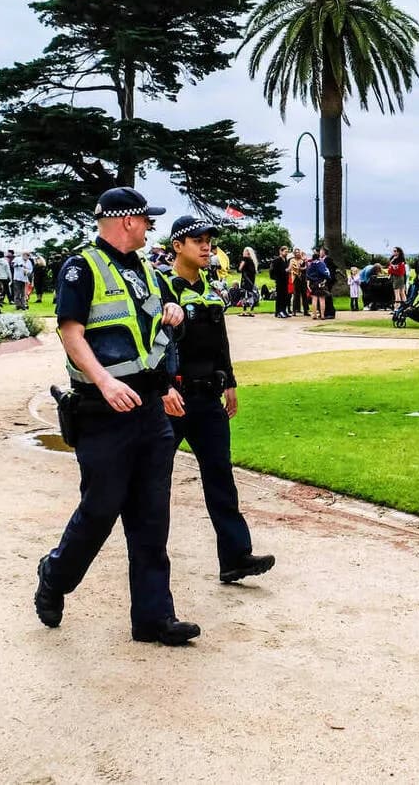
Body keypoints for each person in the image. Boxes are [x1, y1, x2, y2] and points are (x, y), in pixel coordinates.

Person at [34, 186, 198, 645]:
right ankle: (54, 575)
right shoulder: (81, 267)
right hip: (102, 410)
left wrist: (173, 313)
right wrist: (105, 382)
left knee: (151, 517)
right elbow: (71, 334)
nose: (150, 227)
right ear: (127, 220)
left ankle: (153, 618)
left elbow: (157, 334)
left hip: (149, 410)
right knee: (100, 510)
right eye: (146, 220)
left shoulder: (147, 270)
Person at [164, 216, 276, 585]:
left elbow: (221, 342)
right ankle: (149, 560)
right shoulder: (162, 288)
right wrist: (162, 387)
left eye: (208, 240)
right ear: (178, 246)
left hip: (208, 399)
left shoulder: (211, 290)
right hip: (173, 401)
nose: (206, 246)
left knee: (221, 478)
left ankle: (235, 557)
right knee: (153, 481)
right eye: (197, 240)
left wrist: (230, 382)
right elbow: (152, 345)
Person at [303, 250, 330, 321]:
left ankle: (314, 315)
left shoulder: (311, 265)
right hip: (321, 282)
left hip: (313, 283)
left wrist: (308, 284)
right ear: (318, 258)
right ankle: (322, 315)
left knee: (314, 299)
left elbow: (308, 274)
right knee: (322, 299)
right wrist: (326, 279)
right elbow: (325, 273)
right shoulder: (321, 264)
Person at [270, 246, 291, 318]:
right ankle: (278, 311)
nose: (286, 253)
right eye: (285, 251)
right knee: (280, 297)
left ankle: (284, 310)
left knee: (285, 296)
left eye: (287, 252)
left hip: (285, 281)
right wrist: (287, 269)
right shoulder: (277, 260)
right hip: (279, 281)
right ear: (281, 251)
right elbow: (277, 271)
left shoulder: (285, 260)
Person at [238, 247, 259, 316]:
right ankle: (251, 311)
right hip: (251, 279)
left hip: (245, 279)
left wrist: (241, 266)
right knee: (251, 295)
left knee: (243, 295)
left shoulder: (245, 259)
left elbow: (240, 268)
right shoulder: (253, 261)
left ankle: (244, 311)